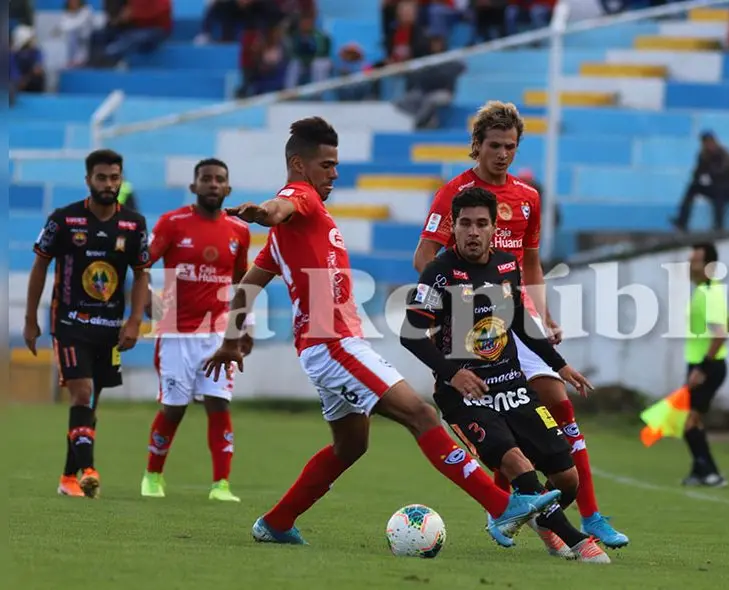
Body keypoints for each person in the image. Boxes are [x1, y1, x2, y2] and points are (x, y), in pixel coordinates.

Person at [202, 116, 560, 545]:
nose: (335, 174)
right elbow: (281, 205)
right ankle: (502, 507)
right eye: (327, 165)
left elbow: (246, 287)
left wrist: (229, 340)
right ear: (299, 165)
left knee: (350, 446)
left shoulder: (288, 234)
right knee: (421, 414)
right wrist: (264, 212)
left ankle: (276, 523)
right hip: (334, 344)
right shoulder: (300, 199)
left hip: (323, 348)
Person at [412, 100, 629, 548]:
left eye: (511, 146)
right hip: (469, 320)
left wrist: (543, 313)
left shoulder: (528, 198)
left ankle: (588, 514)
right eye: (495, 145)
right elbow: (424, 257)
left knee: (558, 404)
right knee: (504, 415)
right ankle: (531, 517)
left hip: (515, 313)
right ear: (477, 146)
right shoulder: (455, 193)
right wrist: (445, 313)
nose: (503, 154)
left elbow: (530, 265)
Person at [401, 186, 610, 562]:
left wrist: (559, 365)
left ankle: (524, 515)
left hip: (513, 385)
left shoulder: (505, 266)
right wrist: (452, 374)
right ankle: (576, 541)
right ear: (455, 227)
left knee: (567, 479)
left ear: (494, 228)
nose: (473, 231)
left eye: (482, 223)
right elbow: (410, 333)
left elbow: (520, 322)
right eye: (465, 223)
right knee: (516, 462)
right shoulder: (439, 273)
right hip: (466, 395)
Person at [23, 149, 151, 499]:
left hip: (110, 328)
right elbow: (39, 266)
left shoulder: (134, 224)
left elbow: (141, 275)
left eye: (114, 178)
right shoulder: (63, 220)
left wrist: (135, 321)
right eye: (101, 178)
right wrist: (30, 319)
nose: (109, 184)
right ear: (88, 180)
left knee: (90, 405)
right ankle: (90, 471)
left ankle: (67, 478)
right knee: (81, 393)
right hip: (69, 322)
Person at [139, 159, 252, 502]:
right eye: (206, 179)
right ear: (194, 186)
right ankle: (153, 476)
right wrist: (145, 295)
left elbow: (243, 283)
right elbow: (142, 263)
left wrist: (245, 326)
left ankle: (221, 485)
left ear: (228, 188)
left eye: (219, 179)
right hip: (175, 333)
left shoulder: (239, 231)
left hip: (217, 333)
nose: (213, 184)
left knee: (219, 404)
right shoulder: (172, 223)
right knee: (174, 408)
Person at [680, 242, 729, 487]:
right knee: (694, 421)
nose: (690, 266)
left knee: (689, 422)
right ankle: (699, 471)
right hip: (701, 364)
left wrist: (702, 367)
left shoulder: (710, 292)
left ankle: (711, 473)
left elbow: (721, 333)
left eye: (695, 261)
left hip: (707, 366)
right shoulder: (706, 290)